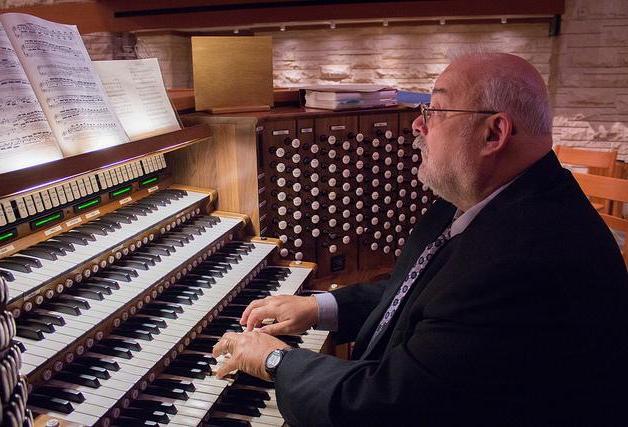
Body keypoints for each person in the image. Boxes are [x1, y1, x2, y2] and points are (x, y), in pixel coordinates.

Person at [212, 52, 628, 426]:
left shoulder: (523, 262)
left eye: (436, 110)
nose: (417, 123)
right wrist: (319, 305)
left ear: (493, 133)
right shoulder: (486, 197)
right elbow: (415, 295)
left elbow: (386, 406)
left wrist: (274, 359)